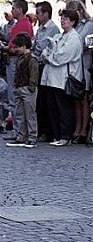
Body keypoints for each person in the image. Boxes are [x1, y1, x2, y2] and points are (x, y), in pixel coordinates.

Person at [40, 9, 82, 146]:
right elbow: (46, 51)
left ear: (73, 22)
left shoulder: (74, 38)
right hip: (51, 78)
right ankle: (56, 135)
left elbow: (62, 56)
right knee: (53, 108)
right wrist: (48, 55)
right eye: (62, 18)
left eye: (66, 19)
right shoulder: (59, 36)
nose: (63, 21)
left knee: (64, 108)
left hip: (63, 79)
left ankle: (65, 136)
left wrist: (49, 56)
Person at [1, 0, 34, 141]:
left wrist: (6, 49)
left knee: (14, 96)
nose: (12, 11)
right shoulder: (19, 24)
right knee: (14, 97)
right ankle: (18, 129)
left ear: (20, 9)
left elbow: (18, 47)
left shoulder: (23, 25)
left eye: (14, 8)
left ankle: (18, 130)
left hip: (15, 61)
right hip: (13, 60)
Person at [65, 0, 93, 143]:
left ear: (80, 11)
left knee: (83, 99)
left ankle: (83, 130)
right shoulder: (72, 27)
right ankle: (77, 129)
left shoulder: (88, 25)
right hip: (75, 66)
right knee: (76, 99)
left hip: (85, 65)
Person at [32, 1, 60, 142]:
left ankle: (47, 131)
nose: (37, 16)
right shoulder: (40, 29)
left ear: (46, 14)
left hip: (45, 66)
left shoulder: (53, 29)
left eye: (38, 13)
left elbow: (45, 47)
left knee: (45, 100)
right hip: (37, 64)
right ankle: (40, 129)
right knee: (39, 100)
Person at [5, 33, 39, 148]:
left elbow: (34, 75)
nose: (16, 49)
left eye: (18, 47)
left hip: (27, 89)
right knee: (20, 114)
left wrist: (31, 87)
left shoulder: (32, 59)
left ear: (24, 46)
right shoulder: (21, 58)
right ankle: (22, 135)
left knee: (30, 114)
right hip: (19, 88)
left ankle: (32, 136)